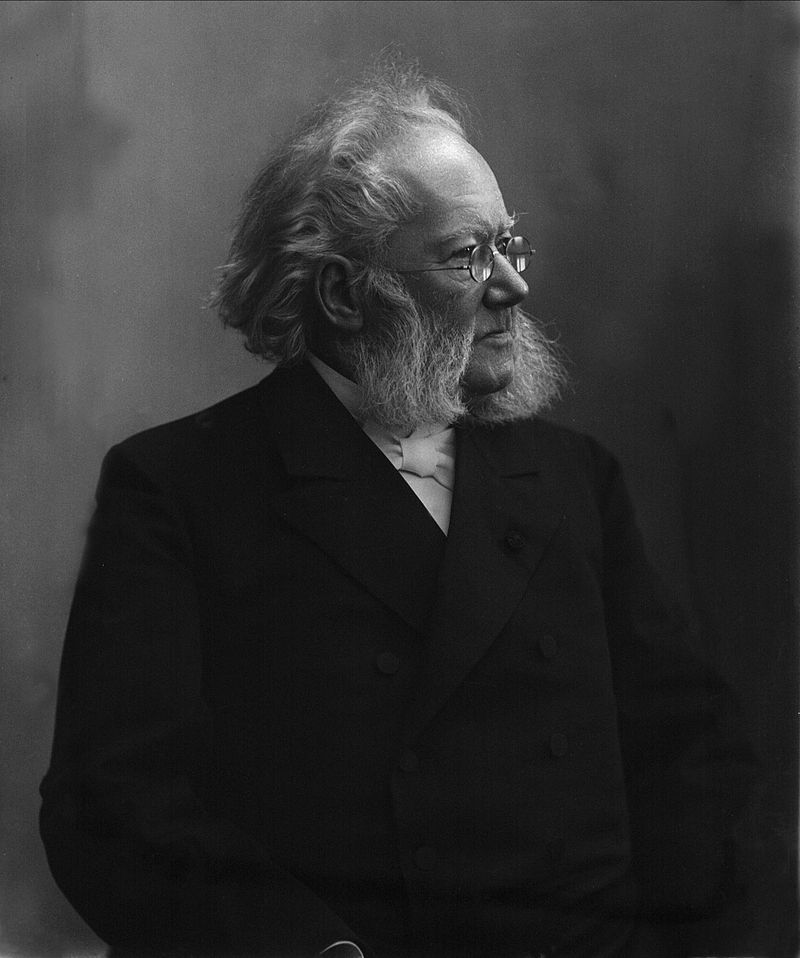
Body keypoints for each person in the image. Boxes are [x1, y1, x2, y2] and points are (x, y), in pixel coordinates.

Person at [40, 65, 751, 958]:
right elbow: (112, 809)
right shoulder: (178, 490)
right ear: (344, 294)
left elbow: (690, 753)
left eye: (510, 244)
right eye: (467, 255)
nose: (513, 287)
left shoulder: (576, 480)